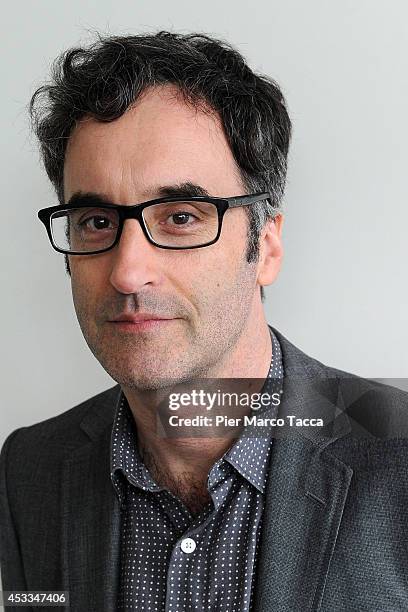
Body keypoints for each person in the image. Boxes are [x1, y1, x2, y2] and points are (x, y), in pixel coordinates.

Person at [1, 31, 407, 612]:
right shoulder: (26, 472)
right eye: (95, 221)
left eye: (182, 216)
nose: (128, 271)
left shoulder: (397, 455)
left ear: (265, 246)